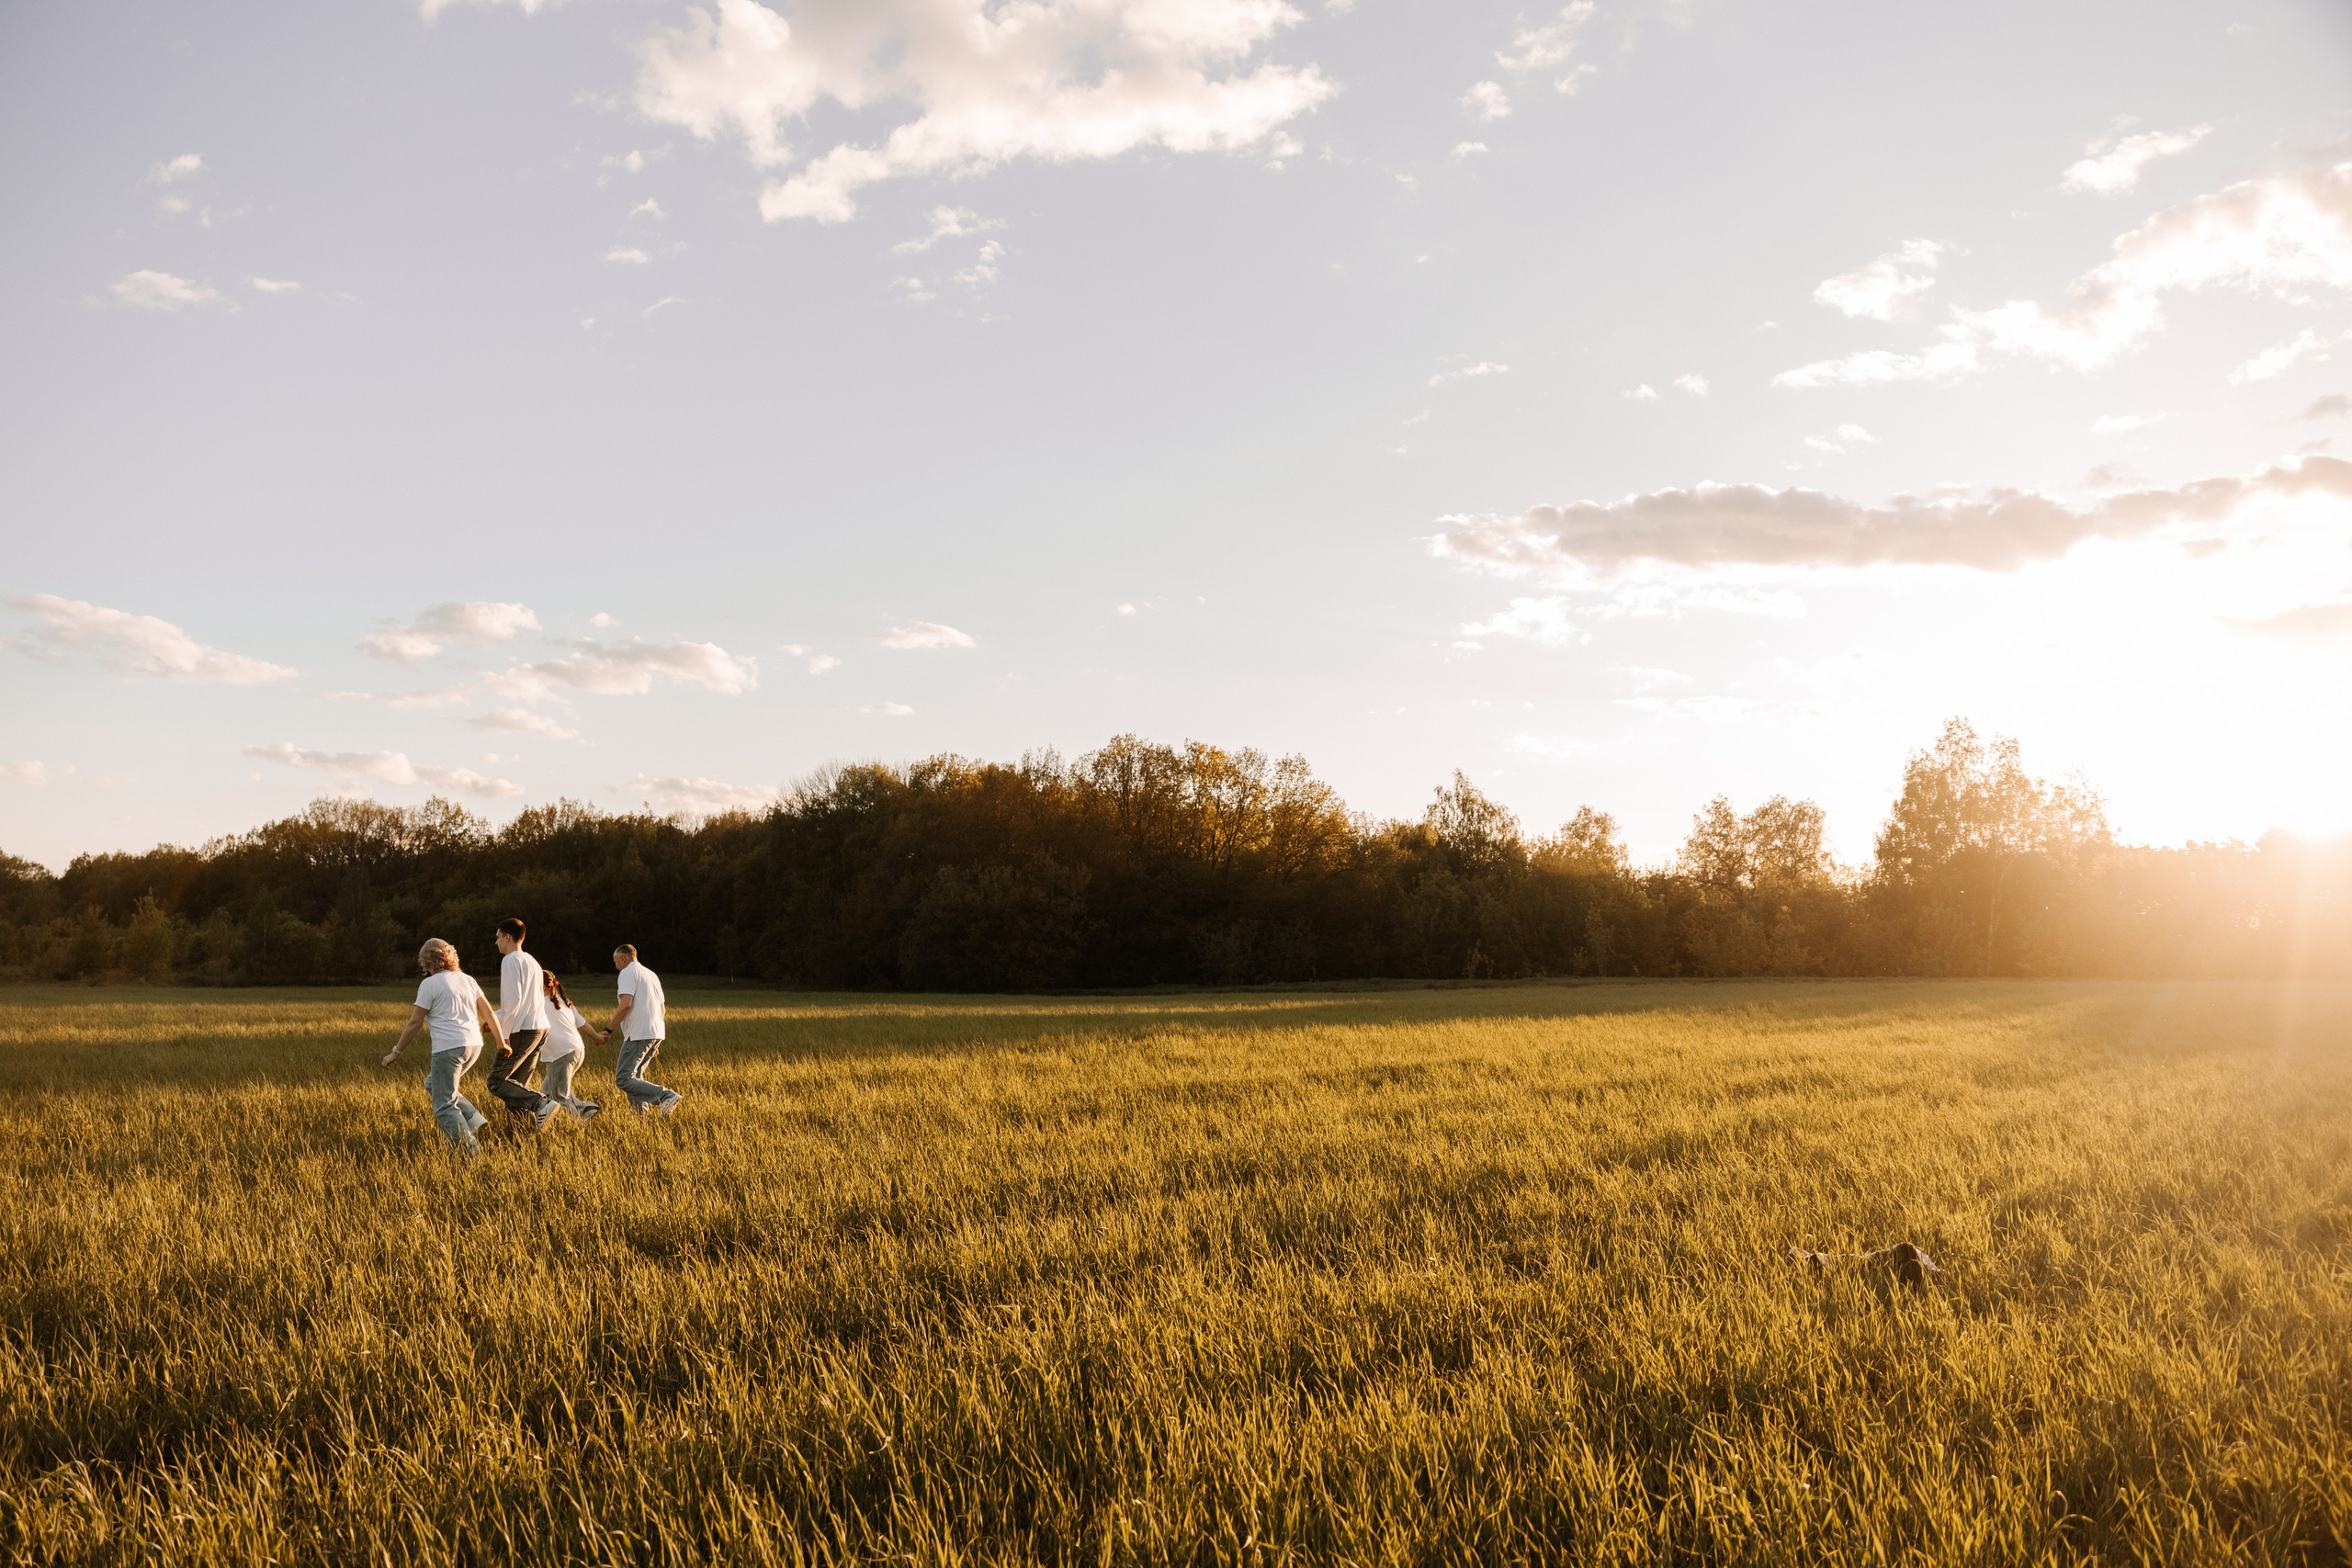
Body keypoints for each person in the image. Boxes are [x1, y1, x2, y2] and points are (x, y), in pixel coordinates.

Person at [380, 937, 535, 1153]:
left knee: (444, 1105)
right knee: (433, 1084)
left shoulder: (429, 984)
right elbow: (489, 1012)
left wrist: (396, 1052)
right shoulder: (467, 979)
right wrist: (501, 1042)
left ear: (427, 961)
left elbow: (415, 1022)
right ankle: (472, 1118)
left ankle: (471, 1154)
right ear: (450, 956)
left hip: (449, 1049)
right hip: (473, 1046)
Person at [489, 918, 564, 1131]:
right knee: (517, 1090)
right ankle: (525, 1140)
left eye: (498, 938)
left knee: (496, 1082)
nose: (497, 943)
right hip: (540, 1028)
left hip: (523, 1029)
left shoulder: (510, 960)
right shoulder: (531, 960)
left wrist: (503, 1036)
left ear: (507, 937)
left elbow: (513, 1002)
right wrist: (493, 1018)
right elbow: (524, 999)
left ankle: (543, 1103)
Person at [608, 942, 683, 1115]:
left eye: (616, 961)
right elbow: (662, 1008)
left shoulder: (627, 972)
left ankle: (666, 1095)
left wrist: (608, 1029)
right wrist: (653, 1040)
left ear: (623, 958)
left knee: (624, 1079)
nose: (616, 965)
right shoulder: (651, 974)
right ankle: (642, 1119)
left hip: (638, 1033)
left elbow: (626, 1005)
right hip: (655, 1032)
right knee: (636, 1079)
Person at [537, 967, 606, 1121]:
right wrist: (597, 1037)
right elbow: (583, 1024)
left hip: (560, 1054)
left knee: (560, 1098)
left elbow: (517, 1012)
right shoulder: (564, 1001)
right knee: (547, 1091)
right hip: (576, 1050)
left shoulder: (539, 1003)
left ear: (542, 986)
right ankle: (586, 1109)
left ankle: (578, 1128)